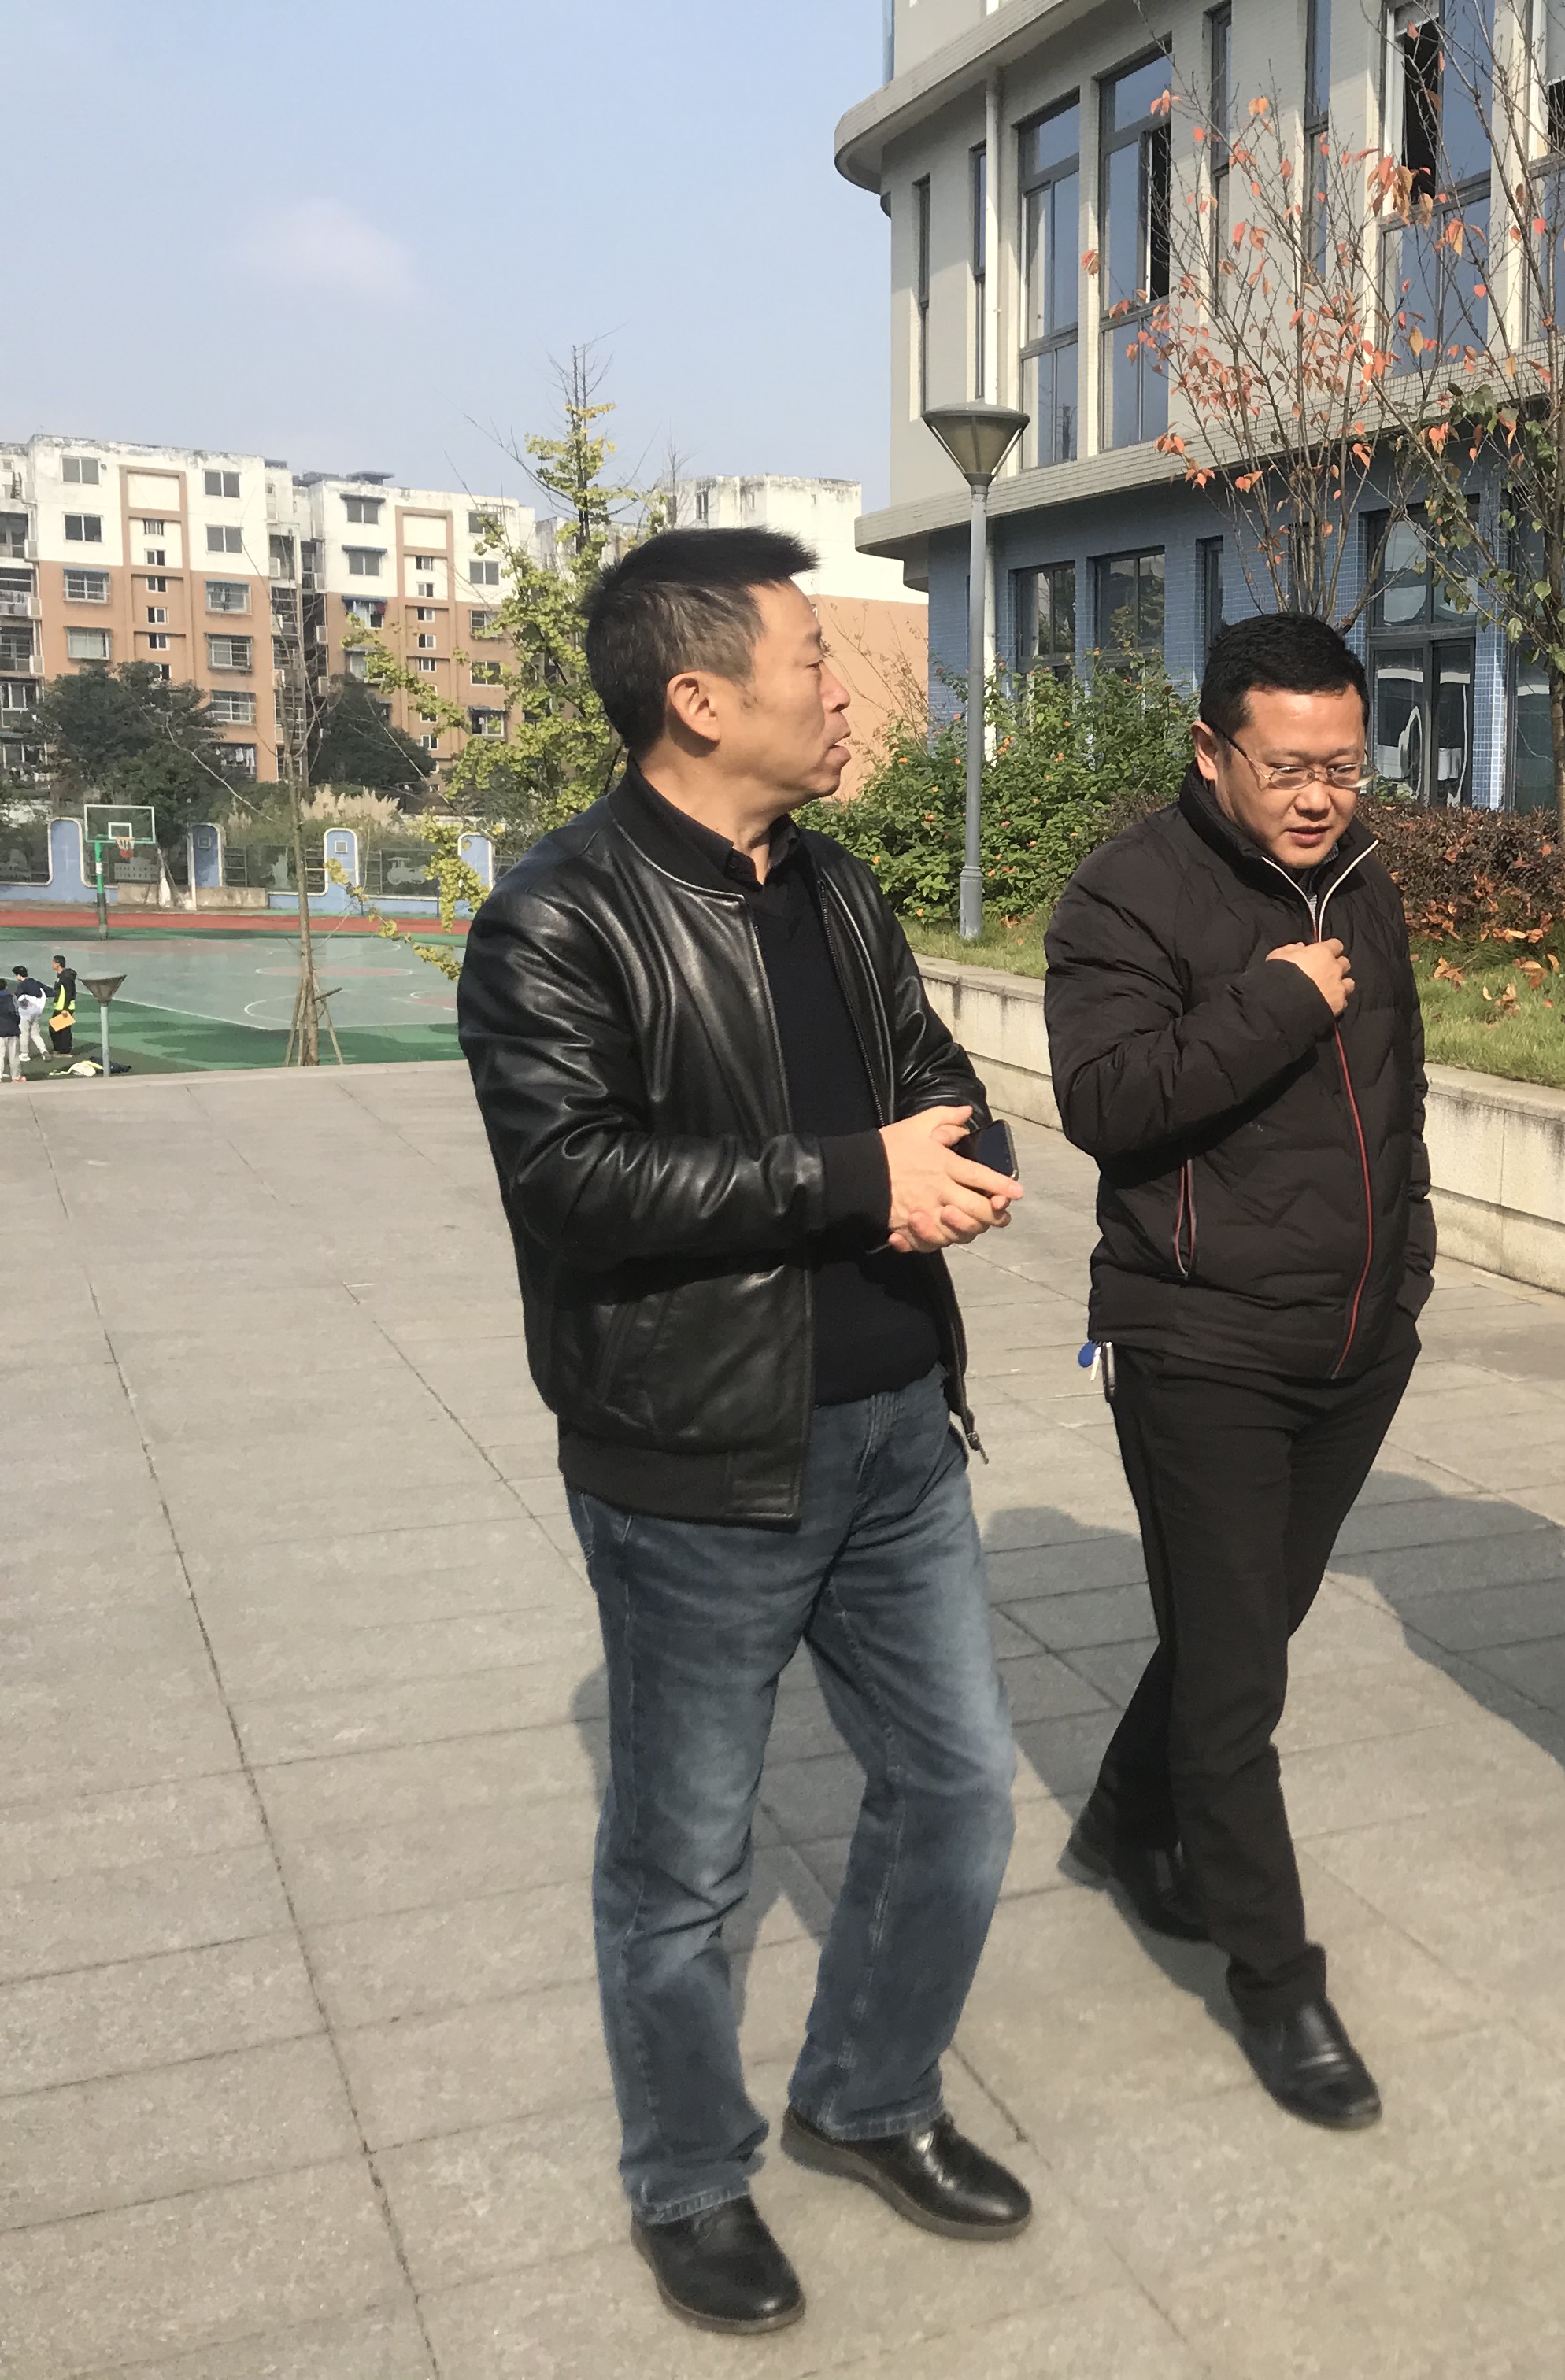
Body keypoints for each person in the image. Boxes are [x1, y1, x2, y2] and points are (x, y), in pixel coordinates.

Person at [457, 527, 1031, 2337]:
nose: (842, 693)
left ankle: (868, 2091)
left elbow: (928, 1074)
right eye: (810, 661)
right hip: (699, 1463)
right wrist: (853, 1180)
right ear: (700, 699)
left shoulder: (835, 887)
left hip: (897, 1434)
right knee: (684, 1869)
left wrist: (967, 1156)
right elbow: (574, 1181)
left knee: (959, 1792)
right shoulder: (558, 917)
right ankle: (690, 2179)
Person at [1041, 609, 1432, 2129]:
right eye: (1289, 766)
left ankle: (1123, 1820)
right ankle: (1277, 1983)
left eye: (1345, 764)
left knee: (1241, 1627)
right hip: (1200, 1340)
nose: (1322, 794)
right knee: (1238, 1687)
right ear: (1211, 749)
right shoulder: (1125, 893)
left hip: (1354, 1341)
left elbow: (1394, 1099)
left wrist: (1404, 1280)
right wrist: (1273, 998)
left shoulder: (1363, 877)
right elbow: (1104, 1100)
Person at [7, 966, 47, 1075]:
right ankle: (44, 1051)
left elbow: (19, 997)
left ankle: (24, 1054)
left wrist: (25, 1005)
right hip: (38, 1012)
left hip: (26, 1014)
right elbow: (49, 992)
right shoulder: (36, 983)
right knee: (35, 1033)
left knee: (24, 1033)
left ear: (19, 975)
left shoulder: (22, 985)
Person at [47, 954, 77, 1056]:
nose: (52, 964)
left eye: (53, 962)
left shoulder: (66, 977)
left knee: (61, 1029)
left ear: (58, 964)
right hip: (60, 1006)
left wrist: (65, 1008)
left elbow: (69, 993)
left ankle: (64, 1051)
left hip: (64, 1008)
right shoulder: (61, 976)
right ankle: (61, 1049)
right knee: (59, 1028)